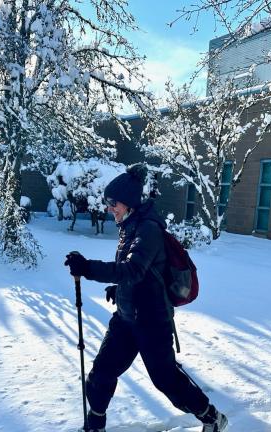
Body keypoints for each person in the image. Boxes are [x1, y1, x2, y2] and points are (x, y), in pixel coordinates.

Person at [65, 164, 228, 432]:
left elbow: (133, 268)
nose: (109, 208)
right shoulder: (129, 227)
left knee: (166, 380)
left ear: (128, 203)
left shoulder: (148, 229)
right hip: (128, 318)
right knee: (101, 373)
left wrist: (88, 268)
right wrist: (120, 290)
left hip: (152, 321)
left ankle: (212, 417)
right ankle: (94, 426)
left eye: (113, 203)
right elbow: (140, 274)